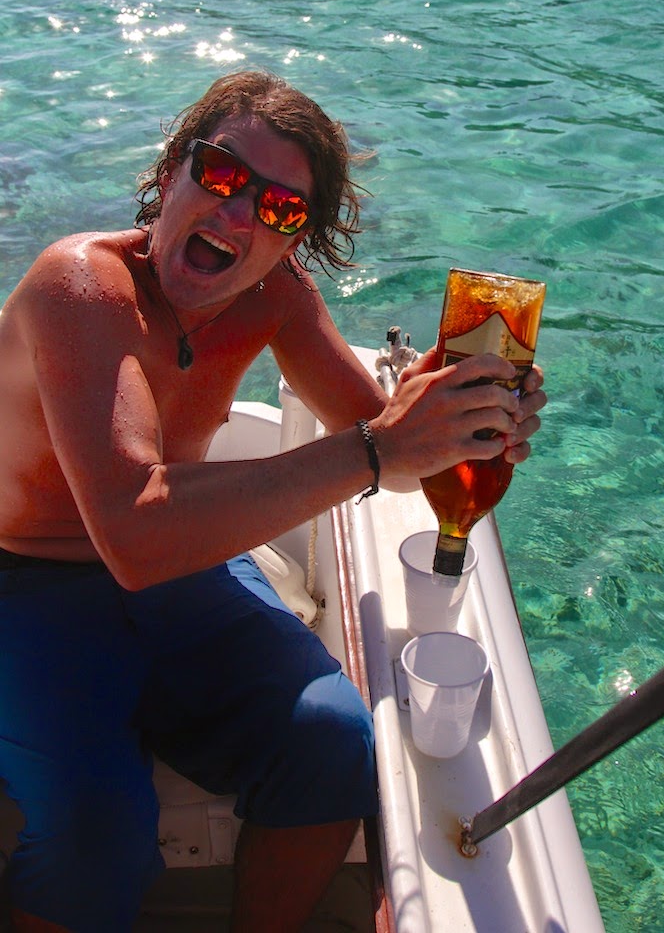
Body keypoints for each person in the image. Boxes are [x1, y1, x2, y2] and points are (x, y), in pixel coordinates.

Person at [0, 69, 546, 932]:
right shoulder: (81, 288)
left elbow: (394, 459)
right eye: (221, 173)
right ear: (173, 171)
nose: (238, 213)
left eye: (281, 208)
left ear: (296, 239)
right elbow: (135, 533)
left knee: (331, 744)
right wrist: (379, 447)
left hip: (183, 563)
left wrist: (448, 416)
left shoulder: (275, 297)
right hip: (27, 580)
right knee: (96, 834)